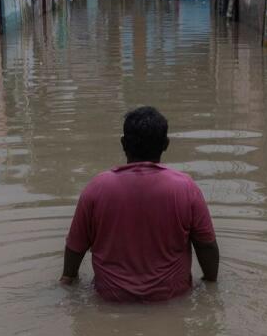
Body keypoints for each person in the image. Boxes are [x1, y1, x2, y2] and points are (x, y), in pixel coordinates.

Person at [60, 106, 219, 302]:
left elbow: (75, 247)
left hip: (111, 300)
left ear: (123, 143)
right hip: (170, 300)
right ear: (166, 144)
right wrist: (210, 282)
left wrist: (68, 278)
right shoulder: (186, 188)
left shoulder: (96, 188)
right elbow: (207, 247)